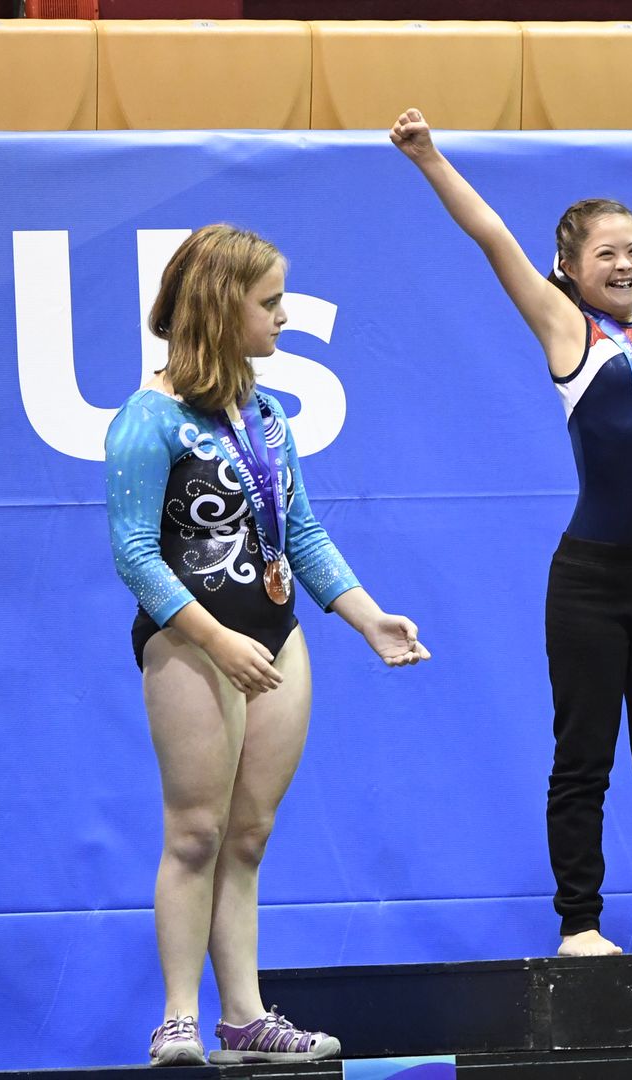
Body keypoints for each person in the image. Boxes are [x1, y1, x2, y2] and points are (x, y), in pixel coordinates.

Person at [389, 107, 632, 958]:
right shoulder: (568, 331)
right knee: (585, 759)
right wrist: (429, 157)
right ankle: (581, 924)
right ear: (568, 268)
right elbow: (491, 234)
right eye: (605, 253)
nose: (628, 263)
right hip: (591, 581)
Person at [104, 224, 431, 1066]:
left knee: (248, 835)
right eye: (271, 302)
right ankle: (178, 1016)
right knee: (195, 834)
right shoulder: (150, 419)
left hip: (279, 640)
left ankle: (243, 1016)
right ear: (222, 308)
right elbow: (136, 555)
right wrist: (214, 641)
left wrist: (367, 618)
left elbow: (304, 534)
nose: (284, 316)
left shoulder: (270, 416)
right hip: (191, 647)